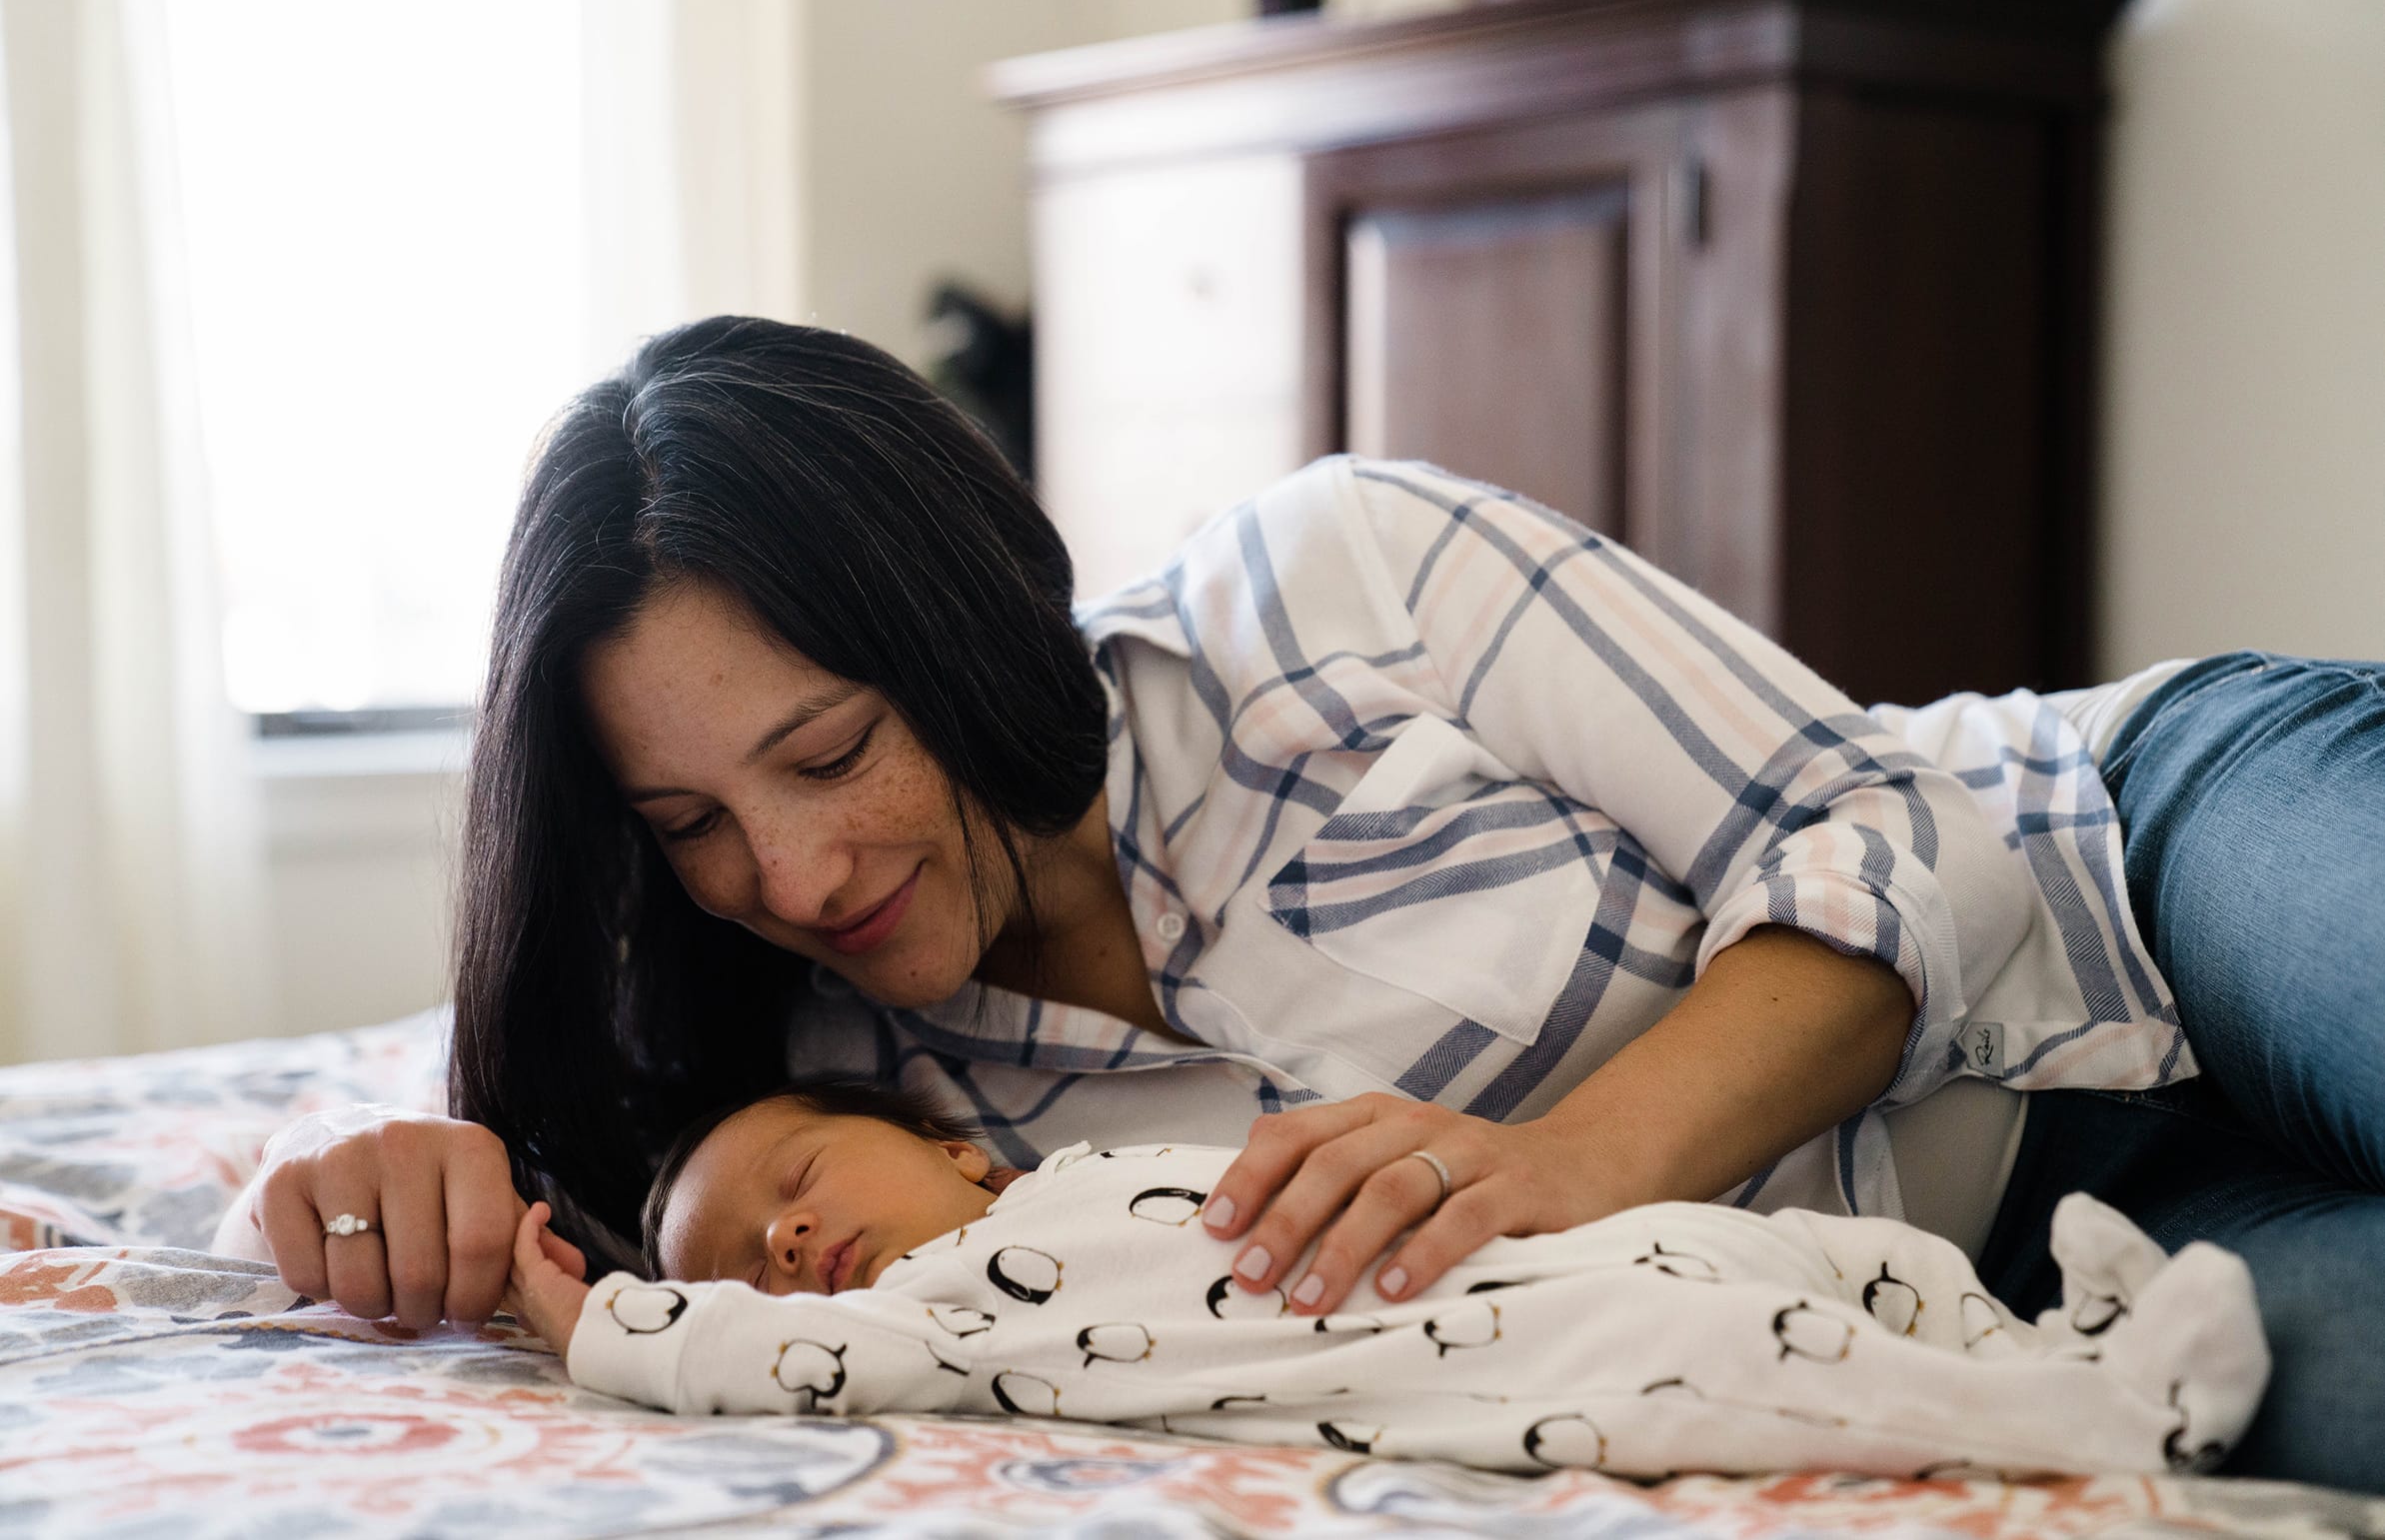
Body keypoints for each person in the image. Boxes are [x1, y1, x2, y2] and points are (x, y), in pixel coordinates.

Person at [210, 317, 2385, 1491]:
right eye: (685, 820)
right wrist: (378, 1192)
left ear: (963, 628)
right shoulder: (836, 1100)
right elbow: (539, 1188)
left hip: (2135, 860)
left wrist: (1555, 1169)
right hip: (2005, 1277)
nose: (785, 875)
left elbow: (1891, 827)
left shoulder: (1326, 587)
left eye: (826, 750)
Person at [499, 1078, 2268, 1479]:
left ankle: (2040, 1323)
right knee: (1757, 1369)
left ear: (959, 1145)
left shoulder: (1111, 1155)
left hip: (1560, 1244)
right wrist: (606, 1322)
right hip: (1520, 1364)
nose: (784, 1246)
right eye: (751, 1263)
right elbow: (772, 1359)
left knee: (1838, 1259)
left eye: (794, 1184)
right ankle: (2088, 1421)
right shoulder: (928, 1317)